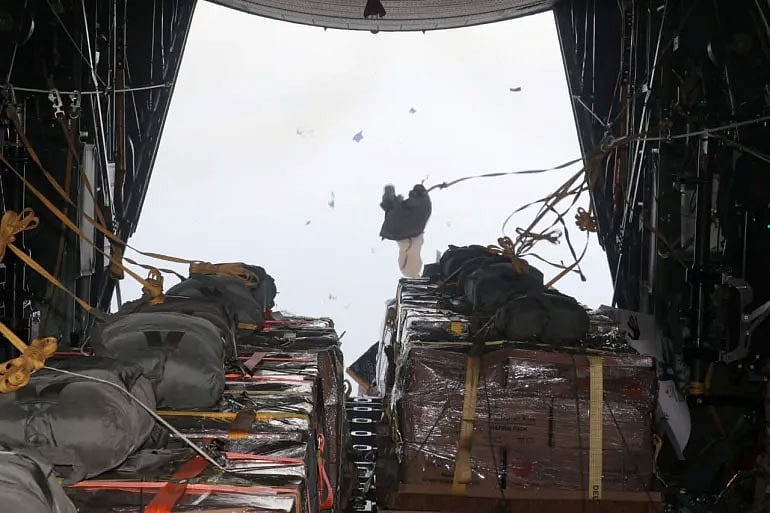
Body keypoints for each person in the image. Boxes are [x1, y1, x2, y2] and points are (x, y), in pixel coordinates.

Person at [379, 184, 432, 278]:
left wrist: (396, 203)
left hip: (407, 236)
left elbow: (397, 210)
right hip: (408, 236)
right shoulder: (421, 205)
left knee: (410, 252)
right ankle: (390, 200)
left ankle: (390, 200)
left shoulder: (415, 206)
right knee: (411, 253)